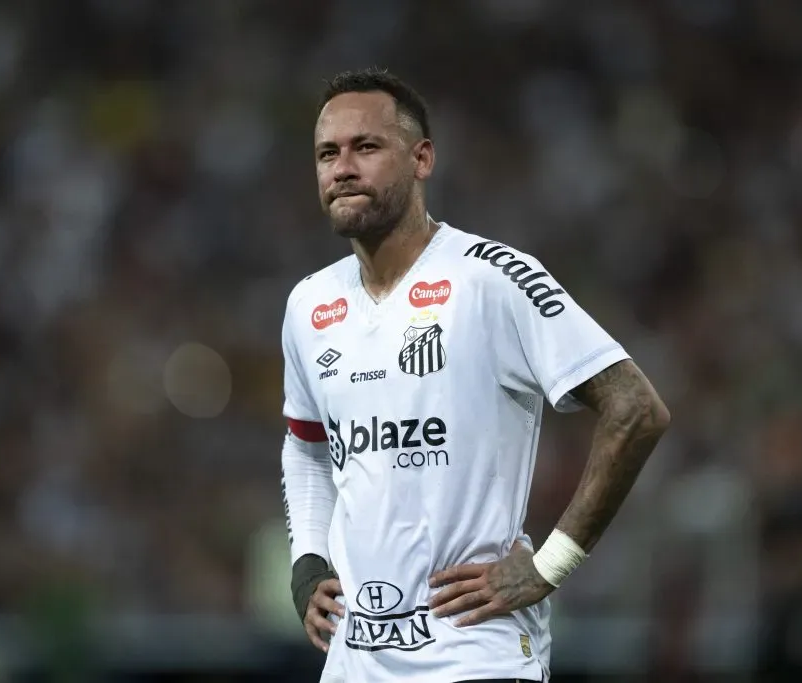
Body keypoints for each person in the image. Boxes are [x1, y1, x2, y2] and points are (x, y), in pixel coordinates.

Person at [279, 67, 670, 683]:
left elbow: (635, 408)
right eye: (328, 153)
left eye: (367, 147)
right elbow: (306, 446)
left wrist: (550, 565)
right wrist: (307, 561)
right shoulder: (309, 304)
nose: (343, 168)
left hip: (472, 655)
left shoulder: (492, 278)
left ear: (422, 159)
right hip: (355, 660)